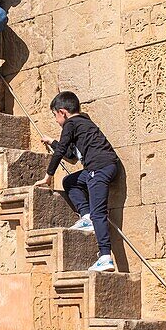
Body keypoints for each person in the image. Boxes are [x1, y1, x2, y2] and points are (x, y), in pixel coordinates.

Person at [38, 91, 120, 273]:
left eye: (55, 116)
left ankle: (105, 256)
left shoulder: (71, 123)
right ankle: (86, 216)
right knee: (70, 182)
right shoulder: (83, 124)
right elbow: (71, 157)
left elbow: (60, 155)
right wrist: (52, 142)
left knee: (98, 212)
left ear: (62, 112)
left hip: (98, 169)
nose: (56, 121)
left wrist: (48, 175)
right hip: (105, 167)